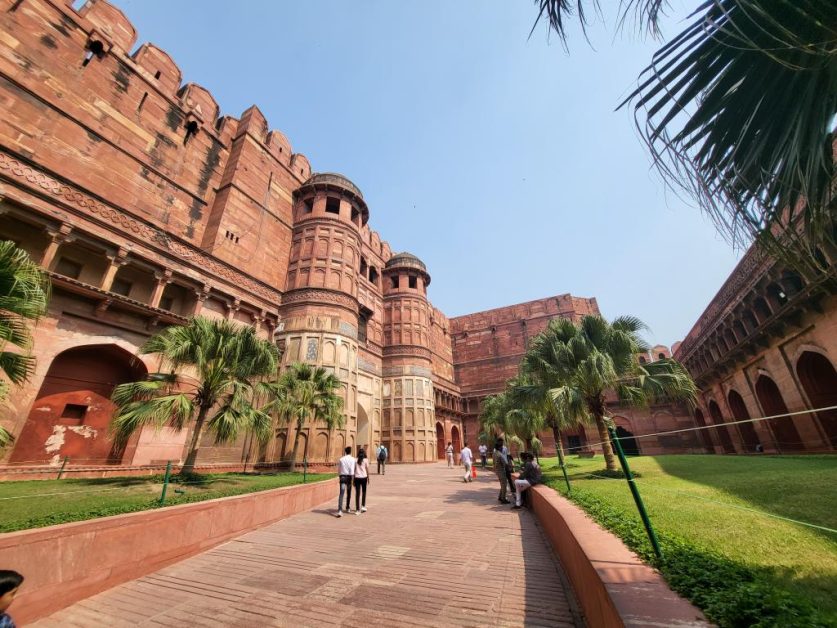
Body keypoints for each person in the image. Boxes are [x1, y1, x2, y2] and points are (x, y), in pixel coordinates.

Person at [336, 446, 356, 518]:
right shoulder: (353, 459)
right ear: (350, 451)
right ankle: (347, 507)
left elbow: (339, 470)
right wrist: (353, 479)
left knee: (341, 493)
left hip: (343, 477)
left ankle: (340, 510)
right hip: (349, 477)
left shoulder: (341, 459)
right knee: (348, 493)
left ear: (345, 452)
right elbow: (352, 470)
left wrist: (340, 476)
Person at [492, 438, 511, 504]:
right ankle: (503, 499)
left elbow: (494, 462)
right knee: (504, 484)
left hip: (498, 469)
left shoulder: (495, 452)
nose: (502, 446)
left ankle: (500, 496)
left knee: (502, 483)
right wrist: (510, 466)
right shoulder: (499, 454)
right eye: (501, 444)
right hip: (501, 469)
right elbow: (505, 463)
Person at [354, 447, 370, 514]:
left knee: (357, 494)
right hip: (364, 477)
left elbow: (354, 469)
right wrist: (368, 478)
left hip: (357, 477)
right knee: (364, 492)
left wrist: (353, 479)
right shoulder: (366, 460)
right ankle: (363, 506)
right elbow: (367, 469)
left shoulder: (355, 460)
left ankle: (357, 509)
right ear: (364, 453)